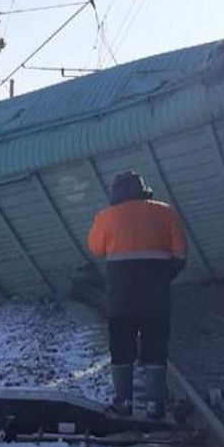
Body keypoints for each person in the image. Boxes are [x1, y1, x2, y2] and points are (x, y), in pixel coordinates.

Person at [87, 170, 187, 420]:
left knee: (121, 348)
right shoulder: (165, 212)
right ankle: (155, 405)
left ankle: (124, 402)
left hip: (121, 298)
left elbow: (96, 249)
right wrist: (163, 278)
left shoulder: (105, 217)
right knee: (155, 347)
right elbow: (181, 254)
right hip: (156, 297)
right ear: (144, 190)